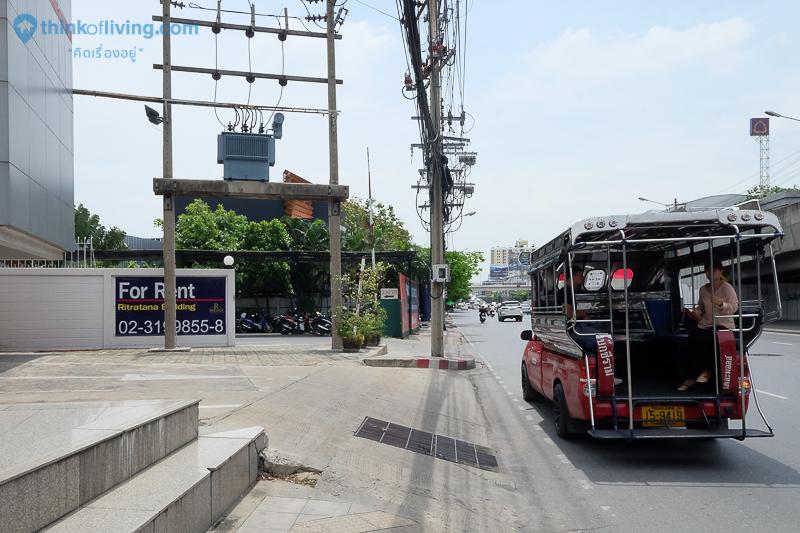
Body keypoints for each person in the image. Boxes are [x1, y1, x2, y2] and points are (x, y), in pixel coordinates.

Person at [678, 260, 739, 391]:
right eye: (708, 271)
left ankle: (707, 371)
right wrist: (695, 312)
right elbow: (701, 307)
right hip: (706, 324)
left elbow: (734, 307)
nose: (710, 273)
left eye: (714, 270)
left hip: (723, 324)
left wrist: (722, 304)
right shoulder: (703, 290)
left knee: (709, 340)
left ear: (720, 271)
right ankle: (691, 376)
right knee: (690, 341)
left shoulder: (726, 288)